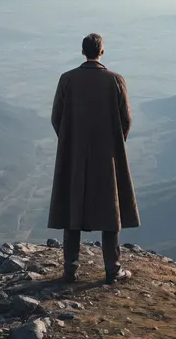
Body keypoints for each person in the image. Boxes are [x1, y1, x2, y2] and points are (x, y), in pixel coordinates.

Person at [48, 33, 140, 284]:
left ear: (82, 51)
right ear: (102, 52)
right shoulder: (115, 80)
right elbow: (126, 120)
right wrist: (115, 144)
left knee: (72, 206)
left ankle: (70, 269)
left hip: (74, 152)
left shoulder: (67, 79)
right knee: (110, 208)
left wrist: (69, 142)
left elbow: (57, 118)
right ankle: (113, 268)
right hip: (107, 154)